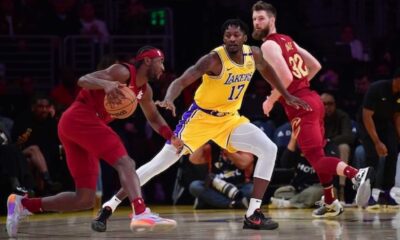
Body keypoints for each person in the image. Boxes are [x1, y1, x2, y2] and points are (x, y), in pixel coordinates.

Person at [92, 18, 310, 232]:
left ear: (244, 37)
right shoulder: (214, 59)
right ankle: (108, 207)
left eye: (236, 35)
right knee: (158, 164)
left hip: (229, 119)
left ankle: (253, 214)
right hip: (200, 119)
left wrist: (286, 94)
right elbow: (182, 80)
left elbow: (266, 69)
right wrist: (169, 98)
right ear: (223, 38)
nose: (232, 39)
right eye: (227, 35)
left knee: (269, 149)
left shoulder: (254, 54)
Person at [6, 46, 183, 238]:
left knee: (84, 199)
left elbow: (154, 117)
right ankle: (140, 212)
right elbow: (83, 80)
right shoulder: (122, 71)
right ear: (148, 60)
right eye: (161, 62)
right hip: (80, 116)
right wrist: (105, 84)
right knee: (126, 163)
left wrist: (170, 136)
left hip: (78, 126)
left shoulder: (145, 91)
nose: (163, 68)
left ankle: (23, 205)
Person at [251, 1, 373, 218]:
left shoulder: (268, 45)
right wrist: (300, 86)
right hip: (312, 99)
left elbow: (286, 78)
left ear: (272, 19)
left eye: (261, 18)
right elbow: (315, 66)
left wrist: (270, 100)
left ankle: (356, 174)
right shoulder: (287, 41)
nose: (256, 23)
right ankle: (330, 200)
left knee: (316, 159)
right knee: (317, 154)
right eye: (254, 19)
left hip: (301, 106)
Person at [359, 69, 400, 204]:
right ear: (397, 79)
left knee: (393, 153)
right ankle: (366, 194)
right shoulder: (377, 88)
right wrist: (377, 142)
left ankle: (386, 193)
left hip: (385, 123)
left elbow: (397, 116)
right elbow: (367, 115)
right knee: (372, 157)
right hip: (368, 124)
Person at [189, 142, 254, 209]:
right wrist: (203, 140)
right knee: (195, 186)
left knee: (252, 189)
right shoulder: (211, 147)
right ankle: (234, 204)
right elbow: (193, 160)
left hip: (239, 186)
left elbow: (244, 164)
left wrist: (227, 149)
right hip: (217, 187)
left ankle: (210, 202)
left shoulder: (242, 145)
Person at [321, 92, 355, 201]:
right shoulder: (315, 117)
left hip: (335, 147)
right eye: (324, 104)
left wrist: (330, 141)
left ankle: (341, 189)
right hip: (321, 148)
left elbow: (348, 136)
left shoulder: (342, 116)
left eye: (330, 104)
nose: (327, 107)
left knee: (344, 147)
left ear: (335, 105)